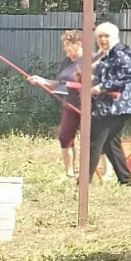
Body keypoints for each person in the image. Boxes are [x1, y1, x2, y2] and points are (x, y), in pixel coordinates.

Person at [28, 30, 86, 177]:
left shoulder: (90, 61)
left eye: (67, 45)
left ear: (78, 44)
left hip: (88, 107)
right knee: (65, 137)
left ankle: (104, 173)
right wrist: (42, 81)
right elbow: (61, 84)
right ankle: (69, 173)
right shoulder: (66, 63)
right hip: (69, 105)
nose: (64, 48)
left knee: (94, 139)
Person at [88, 22, 131, 186]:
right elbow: (108, 75)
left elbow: (129, 73)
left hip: (116, 106)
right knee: (111, 143)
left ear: (115, 37)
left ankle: (83, 182)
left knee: (95, 142)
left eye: (106, 36)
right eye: (99, 36)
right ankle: (125, 180)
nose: (103, 39)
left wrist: (102, 87)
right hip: (108, 105)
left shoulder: (119, 52)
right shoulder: (106, 54)